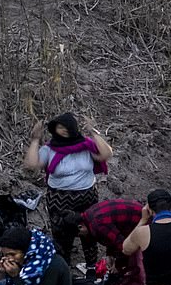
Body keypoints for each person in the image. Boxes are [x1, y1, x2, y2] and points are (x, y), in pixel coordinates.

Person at [23, 113, 113, 268]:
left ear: (73, 128)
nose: (63, 130)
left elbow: (106, 154)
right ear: (54, 130)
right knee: (61, 234)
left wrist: (93, 132)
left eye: (66, 127)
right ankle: (64, 270)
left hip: (87, 196)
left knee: (90, 231)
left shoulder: (86, 145)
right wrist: (35, 139)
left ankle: (91, 268)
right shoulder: (50, 149)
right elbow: (32, 164)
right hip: (59, 199)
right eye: (59, 127)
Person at [61, 198, 145, 285]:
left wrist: (118, 265)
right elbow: (112, 236)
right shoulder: (89, 215)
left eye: (79, 234)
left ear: (80, 226)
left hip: (141, 220)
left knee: (138, 264)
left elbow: (123, 246)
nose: (82, 237)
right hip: (134, 215)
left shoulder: (97, 225)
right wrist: (110, 255)